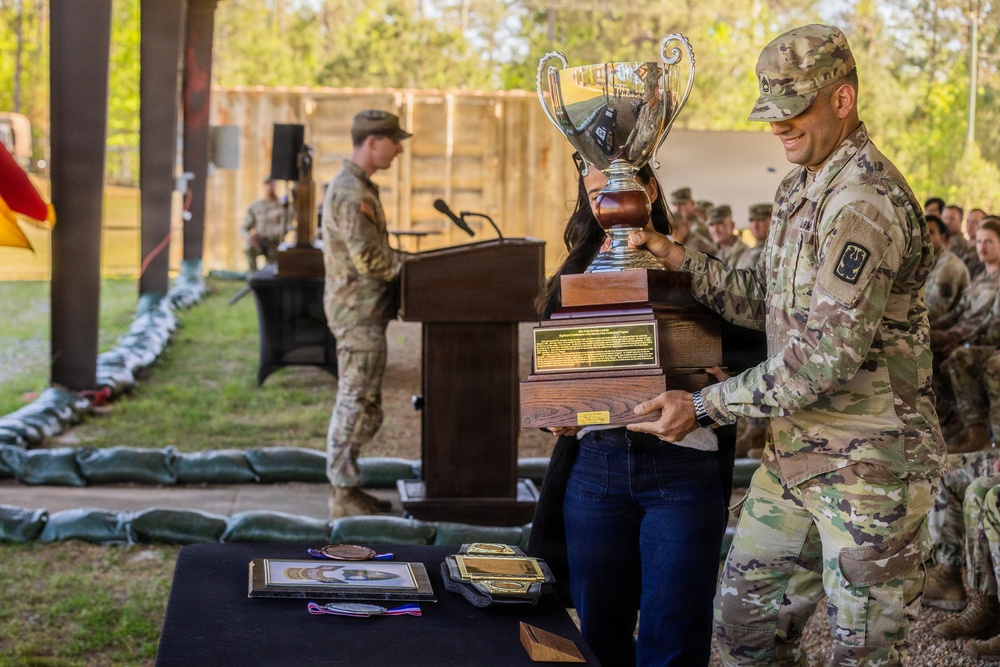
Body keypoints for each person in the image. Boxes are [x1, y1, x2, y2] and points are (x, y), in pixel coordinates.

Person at [626, 24, 946, 665]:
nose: (777, 125)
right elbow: (768, 301)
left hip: (868, 467)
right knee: (743, 628)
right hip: (794, 454)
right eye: (770, 109)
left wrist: (705, 406)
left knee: (862, 652)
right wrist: (680, 260)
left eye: (792, 108)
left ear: (842, 99)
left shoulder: (863, 202)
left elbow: (824, 357)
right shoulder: (801, 186)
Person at [527, 155, 737, 667]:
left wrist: (725, 383)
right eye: (595, 194)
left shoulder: (697, 268)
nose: (609, 205)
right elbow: (556, 372)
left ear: (650, 191)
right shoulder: (575, 273)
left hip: (684, 468)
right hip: (595, 470)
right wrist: (560, 410)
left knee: (675, 634)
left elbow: (750, 358)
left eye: (619, 189)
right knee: (599, 635)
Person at [321, 109, 411, 518]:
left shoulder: (358, 187)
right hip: (357, 313)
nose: (398, 150)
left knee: (366, 405)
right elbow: (371, 260)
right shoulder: (351, 192)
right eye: (394, 142)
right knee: (355, 401)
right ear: (373, 142)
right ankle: (342, 494)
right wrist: (414, 266)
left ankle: (347, 486)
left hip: (365, 312)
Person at [930, 217, 1000, 434]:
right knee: (920, 340)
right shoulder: (980, 278)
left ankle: (973, 430)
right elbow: (957, 312)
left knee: (955, 356)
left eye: (988, 241)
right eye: (978, 241)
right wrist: (927, 326)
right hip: (959, 334)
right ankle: (951, 417)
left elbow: (992, 324)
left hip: (979, 341)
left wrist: (960, 340)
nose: (981, 247)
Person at [924, 214, 970, 322]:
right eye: (921, 232)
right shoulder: (926, 260)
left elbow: (935, 311)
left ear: (942, 237)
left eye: (930, 232)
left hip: (941, 326)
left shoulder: (950, 266)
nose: (924, 237)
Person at [242, 176, 287, 273]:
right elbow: (243, 228)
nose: (270, 187)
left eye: (272, 184)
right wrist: (249, 237)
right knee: (248, 247)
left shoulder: (283, 206)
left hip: (275, 243)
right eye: (267, 184)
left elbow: (286, 227)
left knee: (271, 270)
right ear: (264, 186)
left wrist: (267, 235)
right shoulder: (256, 206)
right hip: (260, 242)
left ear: (275, 185)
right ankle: (253, 276)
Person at [670, 186, 716, 254]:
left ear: (692, 203)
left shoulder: (701, 225)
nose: (677, 208)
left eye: (682, 204)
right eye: (675, 204)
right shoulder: (672, 223)